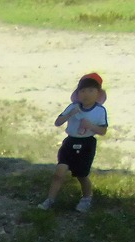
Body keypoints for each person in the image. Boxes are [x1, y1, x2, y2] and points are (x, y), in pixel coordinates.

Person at [38, 73, 109, 213]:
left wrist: (90, 126)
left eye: (90, 91)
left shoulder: (100, 111)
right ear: (77, 94)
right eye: (82, 91)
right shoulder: (73, 106)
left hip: (87, 143)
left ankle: (86, 198)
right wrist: (70, 114)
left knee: (82, 175)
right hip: (70, 141)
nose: (86, 94)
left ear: (98, 94)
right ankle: (50, 200)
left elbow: (103, 131)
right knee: (59, 172)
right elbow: (57, 122)